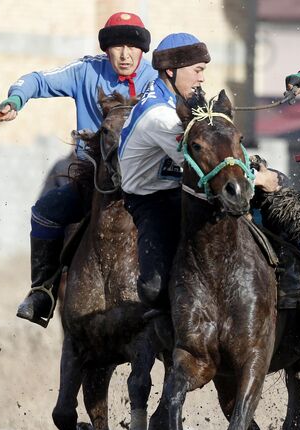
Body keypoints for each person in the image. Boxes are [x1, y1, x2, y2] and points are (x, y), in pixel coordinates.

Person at [1, 12, 156, 327]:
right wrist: (16, 99)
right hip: (93, 178)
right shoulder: (85, 71)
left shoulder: (155, 80)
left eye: (132, 46)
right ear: (106, 49)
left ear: (142, 50)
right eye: (116, 46)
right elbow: (37, 80)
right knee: (45, 210)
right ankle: (43, 290)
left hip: (143, 180)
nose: (125, 54)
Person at [118, 33, 281, 310]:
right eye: (197, 70)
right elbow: (205, 164)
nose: (202, 79)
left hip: (178, 188)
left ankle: (284, 277)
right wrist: (259, 178)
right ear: (171, 71)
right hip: (153, 201)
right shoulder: (161, 116)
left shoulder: (172, 96)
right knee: (154, 288)